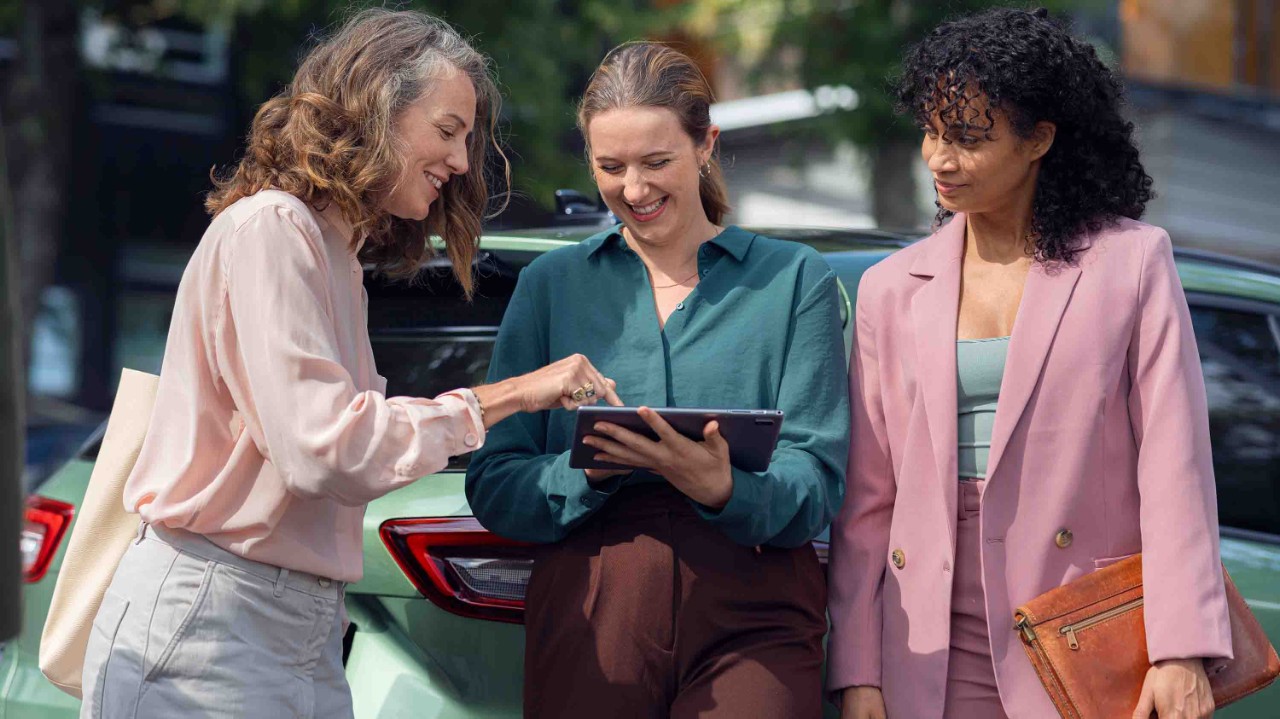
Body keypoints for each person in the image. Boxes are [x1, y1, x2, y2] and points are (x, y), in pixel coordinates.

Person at [80, 9, 619, 719]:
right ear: (374, 111)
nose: (461, 161)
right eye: (447, 130)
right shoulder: (273, 231)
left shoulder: (333, 255)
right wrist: (511, 394)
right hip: (214, 625)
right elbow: (324, 448)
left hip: (286, 627)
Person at [826, 8, 1230, 719]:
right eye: (931, 131)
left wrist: (1181, 645)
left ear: (1039, 138)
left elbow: (1175, 467)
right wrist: (857, 666)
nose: (939, 158)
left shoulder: (1131, 263)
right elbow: (867, 503)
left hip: (1080, 629)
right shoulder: (889, 289)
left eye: (968, 138)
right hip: (925, 639)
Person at [466, 42, 850, 719]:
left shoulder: (794, 281)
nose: (634, 190)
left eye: (656, 162)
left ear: (706, 144)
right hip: (593, 601)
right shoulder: (550, 287)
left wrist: (723, 484)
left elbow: (818, 477)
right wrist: (587, 473)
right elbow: (495, 482)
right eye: (610, 167)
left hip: (756, 603)